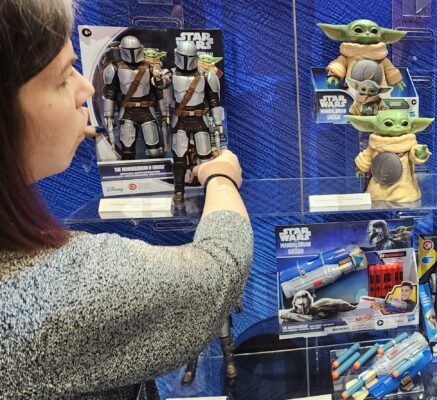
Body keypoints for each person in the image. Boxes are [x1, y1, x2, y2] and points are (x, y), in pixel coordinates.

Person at [0, 1, 253, 399]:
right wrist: (221, 177)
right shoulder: (62, 288)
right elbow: (220, 272)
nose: (85, 88)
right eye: (64, 76)